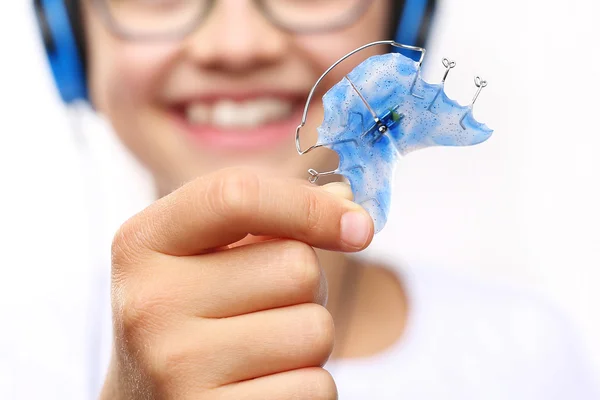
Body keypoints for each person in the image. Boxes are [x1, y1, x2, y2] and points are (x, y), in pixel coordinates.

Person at [12, 0, 598, 398]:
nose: (237, 45)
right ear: (65, 36)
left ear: (409, 19)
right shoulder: (19, 365)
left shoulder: (531, 355)